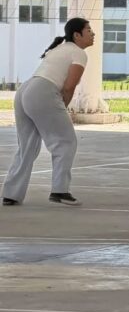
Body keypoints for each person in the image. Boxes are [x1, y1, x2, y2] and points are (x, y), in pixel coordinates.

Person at [2, 18, 94, 206]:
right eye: (89, 30)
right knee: (66, 141)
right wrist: (62, 108)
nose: (93, 34)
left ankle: (11, 194)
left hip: (25, 90)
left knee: (27, 147)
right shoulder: (79, 53)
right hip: (43, 92)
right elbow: (69, 87)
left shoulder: (60, 48)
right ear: (77, 35)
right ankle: (60, 191)